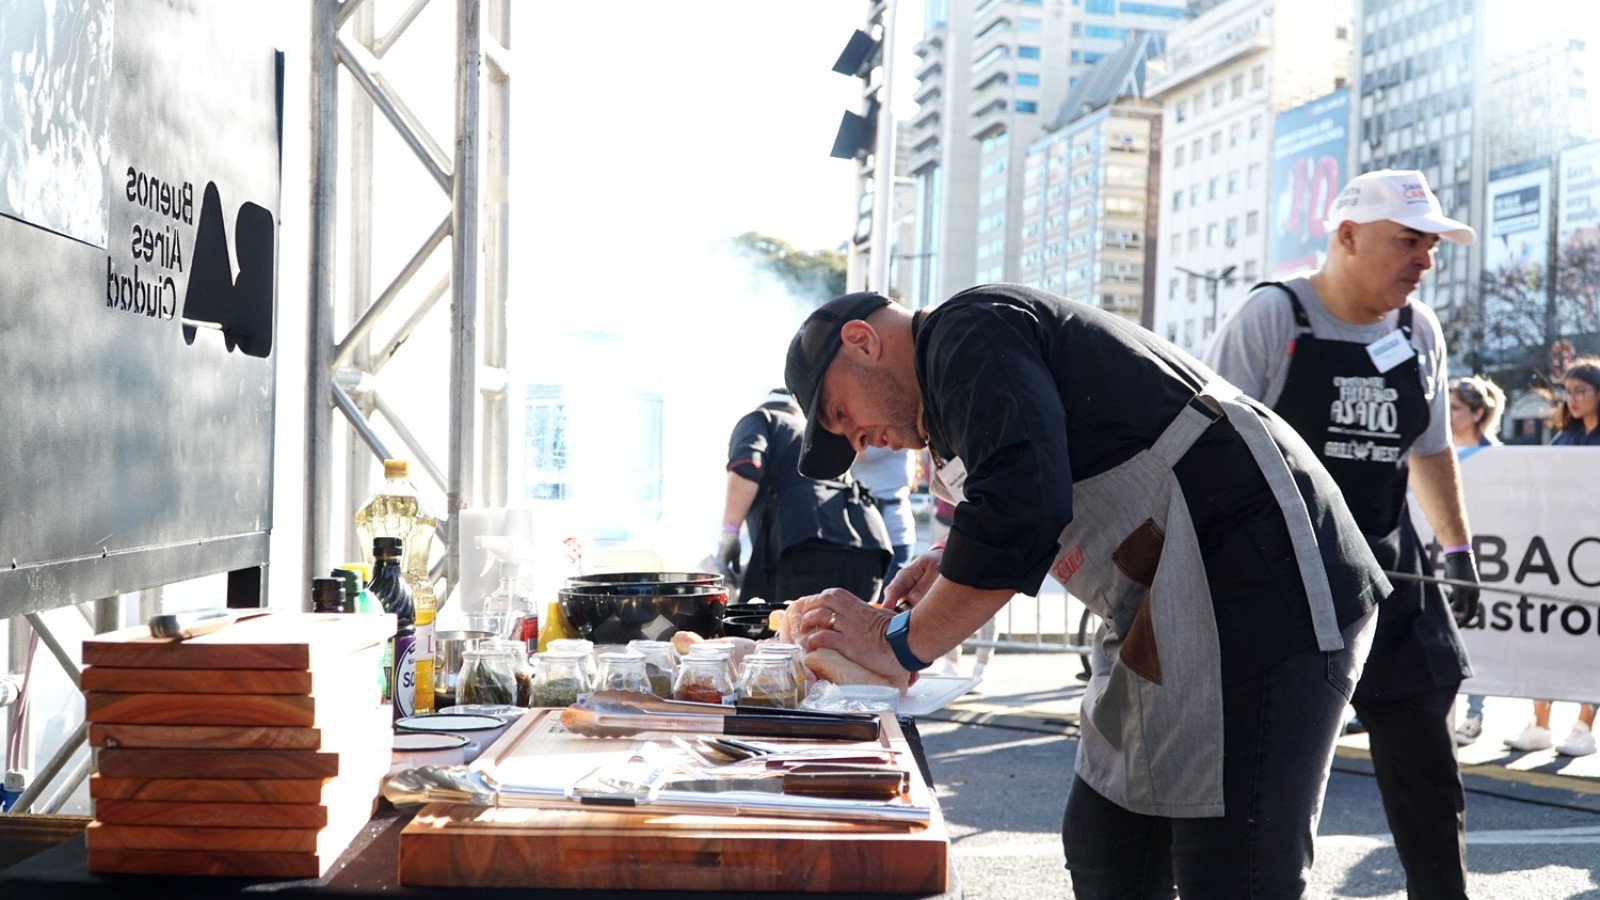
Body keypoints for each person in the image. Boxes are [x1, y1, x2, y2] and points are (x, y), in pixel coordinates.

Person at [779, 287, 1389, 899]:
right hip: (1165, 599)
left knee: (1234, 868)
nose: (858, 441)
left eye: (839, 415)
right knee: (1108, 846)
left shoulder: (967, 330)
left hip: (1260, 575)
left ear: (861, 340)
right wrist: (950, 559)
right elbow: (1036, 484)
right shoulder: (956, 378)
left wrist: (896, 645)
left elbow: (1020, 510)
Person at [1206, 169, 1481, 900]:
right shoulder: (1273, 318)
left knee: (1426, 749)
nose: (1423, 260)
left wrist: (1457, 548)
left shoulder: (1418, 329)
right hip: (1282, 582)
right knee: (1278, 782)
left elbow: (1429, 450)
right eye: (1408, 242)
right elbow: (1200, 452)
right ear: (1348, 237)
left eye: (1431, 246)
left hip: (1389, 568)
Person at [1504, 357, 1600, 756]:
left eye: (1581, 391)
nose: (1571, 399)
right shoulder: (1563, 440)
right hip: (1558, 548)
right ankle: (1540, 723)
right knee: (1545, 633)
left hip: (1590, 551)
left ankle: (1583, 725)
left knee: (1589, 639)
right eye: (1567, 391)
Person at [717, 387, 891, 605]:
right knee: (848, 634)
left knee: (792, 632)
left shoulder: (761, 419)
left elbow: (747, 468)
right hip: (870, 548)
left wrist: (729, 534)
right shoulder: (814, 431)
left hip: (808, 550)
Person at [1447, 374, 1504, 747]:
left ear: (1477, 413)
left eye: (1455, 408)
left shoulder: (1498, 457)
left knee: (1479, 634)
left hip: (1485, 555)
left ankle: (1474, 713)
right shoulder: (1433, 455)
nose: (1448, 416)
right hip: (1443, 556)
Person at [850, 445, 917, 596]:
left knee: (883, 605)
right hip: (870, 532)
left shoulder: (889, 437)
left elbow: (858, 452)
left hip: (891, 535)